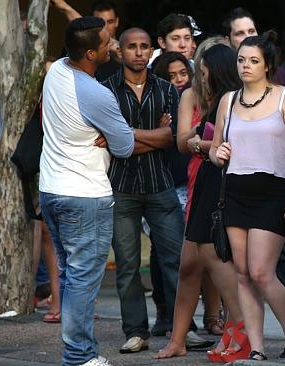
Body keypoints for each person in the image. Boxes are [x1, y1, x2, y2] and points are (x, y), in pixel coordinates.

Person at [39, 17, 134, 366]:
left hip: (51, 190)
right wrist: (109, 136)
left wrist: (104, 134)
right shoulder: (96, 93)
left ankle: (78, 353)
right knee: (82, 279)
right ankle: (79, 356)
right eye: (108, 42)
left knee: (70, 275)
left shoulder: (56, 72)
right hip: (84, 196)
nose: (114, 46)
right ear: (91, 52)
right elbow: (124, 146)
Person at [210, 33, 285, 361]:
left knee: (261, 272)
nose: (246, 66)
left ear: (267, 64)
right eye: (241, 60)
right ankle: (256, 347)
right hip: (236, 190)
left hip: (273, 190)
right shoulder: (228, 100)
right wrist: (218, 153)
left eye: (253, 61)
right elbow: (214, 151)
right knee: (241, 272)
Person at [154, 43, 245, 361]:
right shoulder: (200, 97)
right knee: (189, 264)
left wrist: (201, 143)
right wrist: (201, 142)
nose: (199, 78)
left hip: (222, 182)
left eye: (203, 72)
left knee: (213, 255)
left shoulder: (232, 99)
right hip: (202, 180)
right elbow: (184, 142)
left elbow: (228, 144)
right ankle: (178, 340)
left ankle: (241, 331)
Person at [98, 27, 186, 354]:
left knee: (175, 260)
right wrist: (153, 134)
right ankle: (136, 331)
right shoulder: (105, 91)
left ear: (152, 51)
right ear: (120, 51)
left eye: (144, 46)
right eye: (131, 46)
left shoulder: (167, 89)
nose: (138, 52)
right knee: (127, 265)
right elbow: (114, 144)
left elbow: (172, 139)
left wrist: (126, 137)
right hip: (121, 188)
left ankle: (182, 329)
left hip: (161, 186)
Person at [51, 0, 122, 81]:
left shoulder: (126, 50)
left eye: (110, 22)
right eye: (99, 23)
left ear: (117, 22)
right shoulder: (78, 47)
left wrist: (66, 8)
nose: (105, 27)